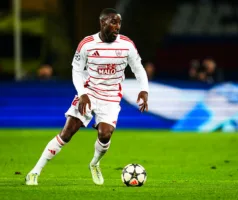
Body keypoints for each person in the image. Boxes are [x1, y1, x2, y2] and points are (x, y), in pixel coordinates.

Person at [25, 8, 149, 185]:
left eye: (119, 23)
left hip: (111, 97)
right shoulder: (87, 44)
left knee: (105, 134)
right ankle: (34, 172)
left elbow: (138, 69)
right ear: (102, 22)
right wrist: (82, 94)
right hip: (89, 93)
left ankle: (94, 163)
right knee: (67, 133)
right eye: (113, 22)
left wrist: (144, 90)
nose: (117, 26)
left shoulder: (127, 45)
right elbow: (76, 70)